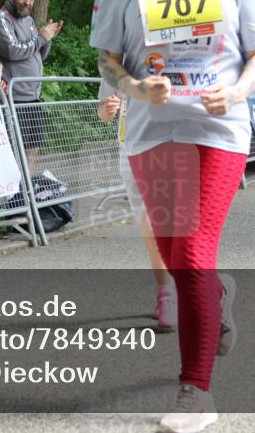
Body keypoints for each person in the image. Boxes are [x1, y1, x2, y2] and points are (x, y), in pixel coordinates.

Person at [91, 0, 255, 432]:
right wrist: (135, 86)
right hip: (152, 127)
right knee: (175, 258)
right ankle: (214, 300)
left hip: (217, 126)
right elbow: (109, 59)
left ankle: (195, 393)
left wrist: (239, 91)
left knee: (192, 253)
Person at [97, 81, 177, 332]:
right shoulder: (114, 58)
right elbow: (104, 111)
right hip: (130, 149)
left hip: (170, 146)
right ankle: (166, 294)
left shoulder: (172, 48)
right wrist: (107, 110)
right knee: (150, 228)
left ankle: (194, 288)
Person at [0, 0, 63, 165]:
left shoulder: (28, 20)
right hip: (13, 97)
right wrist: (41, 37)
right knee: (13, 149)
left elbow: (37, 54)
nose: (28, 2)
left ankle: (24, 191)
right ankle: (12, 192)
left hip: (32, 96)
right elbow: (13, 50)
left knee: (33, 146)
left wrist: (47, 38)